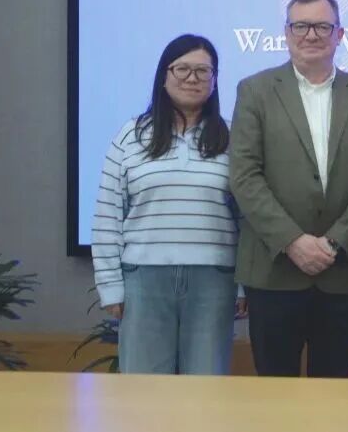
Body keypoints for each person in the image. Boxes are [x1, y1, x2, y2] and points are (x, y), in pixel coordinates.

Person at [229, 0, 348, 378]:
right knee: (275, 393)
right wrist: (292, 241)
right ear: (286, 33)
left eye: (322, 26)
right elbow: (245, 175)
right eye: (301, 26)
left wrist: (335, 241)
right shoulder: (254, 91)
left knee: (333, 393)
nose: (311, 35)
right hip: (273, 271)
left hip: (340, 273)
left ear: (340, 34)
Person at [91, 33, 246, 375]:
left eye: (203, 71)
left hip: (214, 281)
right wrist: (110, 286)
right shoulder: (130, 136)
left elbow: (247, 219)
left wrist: (243, 285)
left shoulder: (234, 138)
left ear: (215, 80)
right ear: (164, 76)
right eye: (182, 69)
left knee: (205, 389)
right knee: (143, 391)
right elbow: (107, 215)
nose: (192, 78)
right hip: (144, 280)